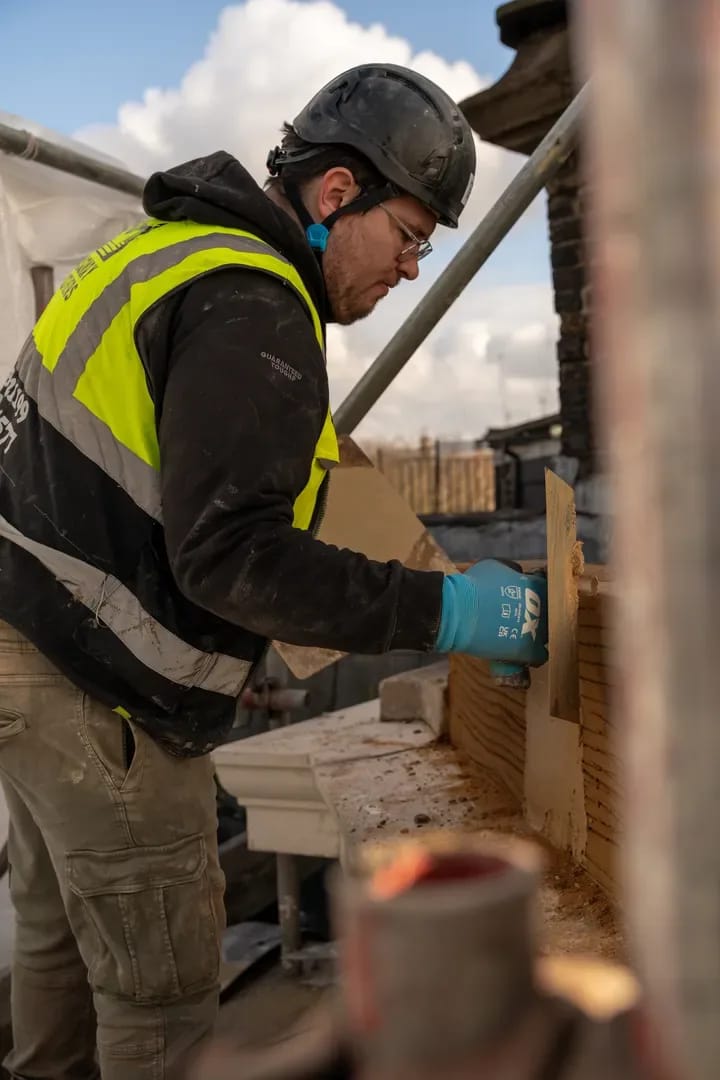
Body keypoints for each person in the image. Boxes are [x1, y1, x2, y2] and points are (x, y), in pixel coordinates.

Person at [0, 63, 548, 1076]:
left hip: (26, 650)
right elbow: (233, 558)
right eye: (411, 237)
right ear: (338, 193)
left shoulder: (162, 249)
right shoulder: (253, 302)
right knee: (161, 1004)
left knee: (61, 948)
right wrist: (450, 611)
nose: (410, 270)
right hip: (98, 693)